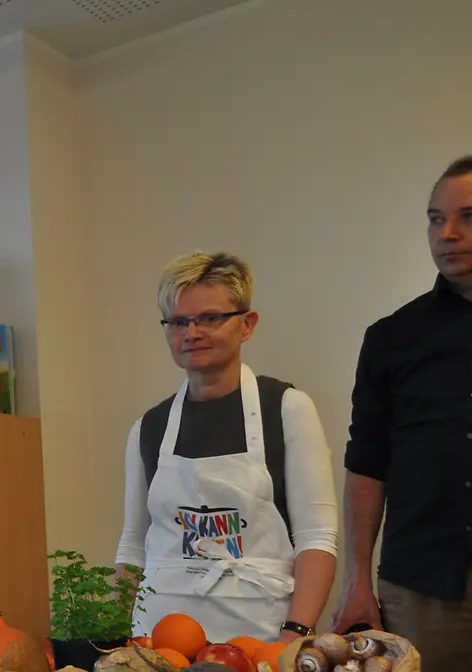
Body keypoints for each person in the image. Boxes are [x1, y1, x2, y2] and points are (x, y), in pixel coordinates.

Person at [335, 156, 472, 672]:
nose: (447, 236)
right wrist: (360, 577)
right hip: (423, 583)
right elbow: (367, 462)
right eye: (434, 218)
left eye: (465, 217)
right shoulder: (393, 339)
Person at [114, 252, 338, 645]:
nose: (192, 332)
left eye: (210, 318)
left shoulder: (286, 409)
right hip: (157, 643)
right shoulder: (148, 428)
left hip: (260, 639)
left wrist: (295, 635)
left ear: (246, 325)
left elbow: (317, 537)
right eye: (178, 322)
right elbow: (133, 546)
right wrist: (115, 632)